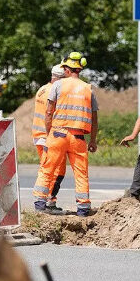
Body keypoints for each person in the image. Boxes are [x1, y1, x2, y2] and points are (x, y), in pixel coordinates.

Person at [33, 51, 98, 216]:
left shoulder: (58, 85)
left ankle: (40, 204)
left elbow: (49, 113)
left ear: (67, 70)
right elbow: (94, 119)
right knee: (81, 173)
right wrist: (93, 140)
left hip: (58, 134)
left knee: (47, 168)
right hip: (78, 138)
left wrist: (49, 134)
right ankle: (83, 208)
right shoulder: (88, 89)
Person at [32, 64, 67, 213]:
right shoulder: (53, 91)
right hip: (49, 136)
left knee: (48, 168)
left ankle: (48, 201)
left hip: (39, 135)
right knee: (55, 170)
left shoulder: (42, 89)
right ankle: (48, 203)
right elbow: (50, 114)